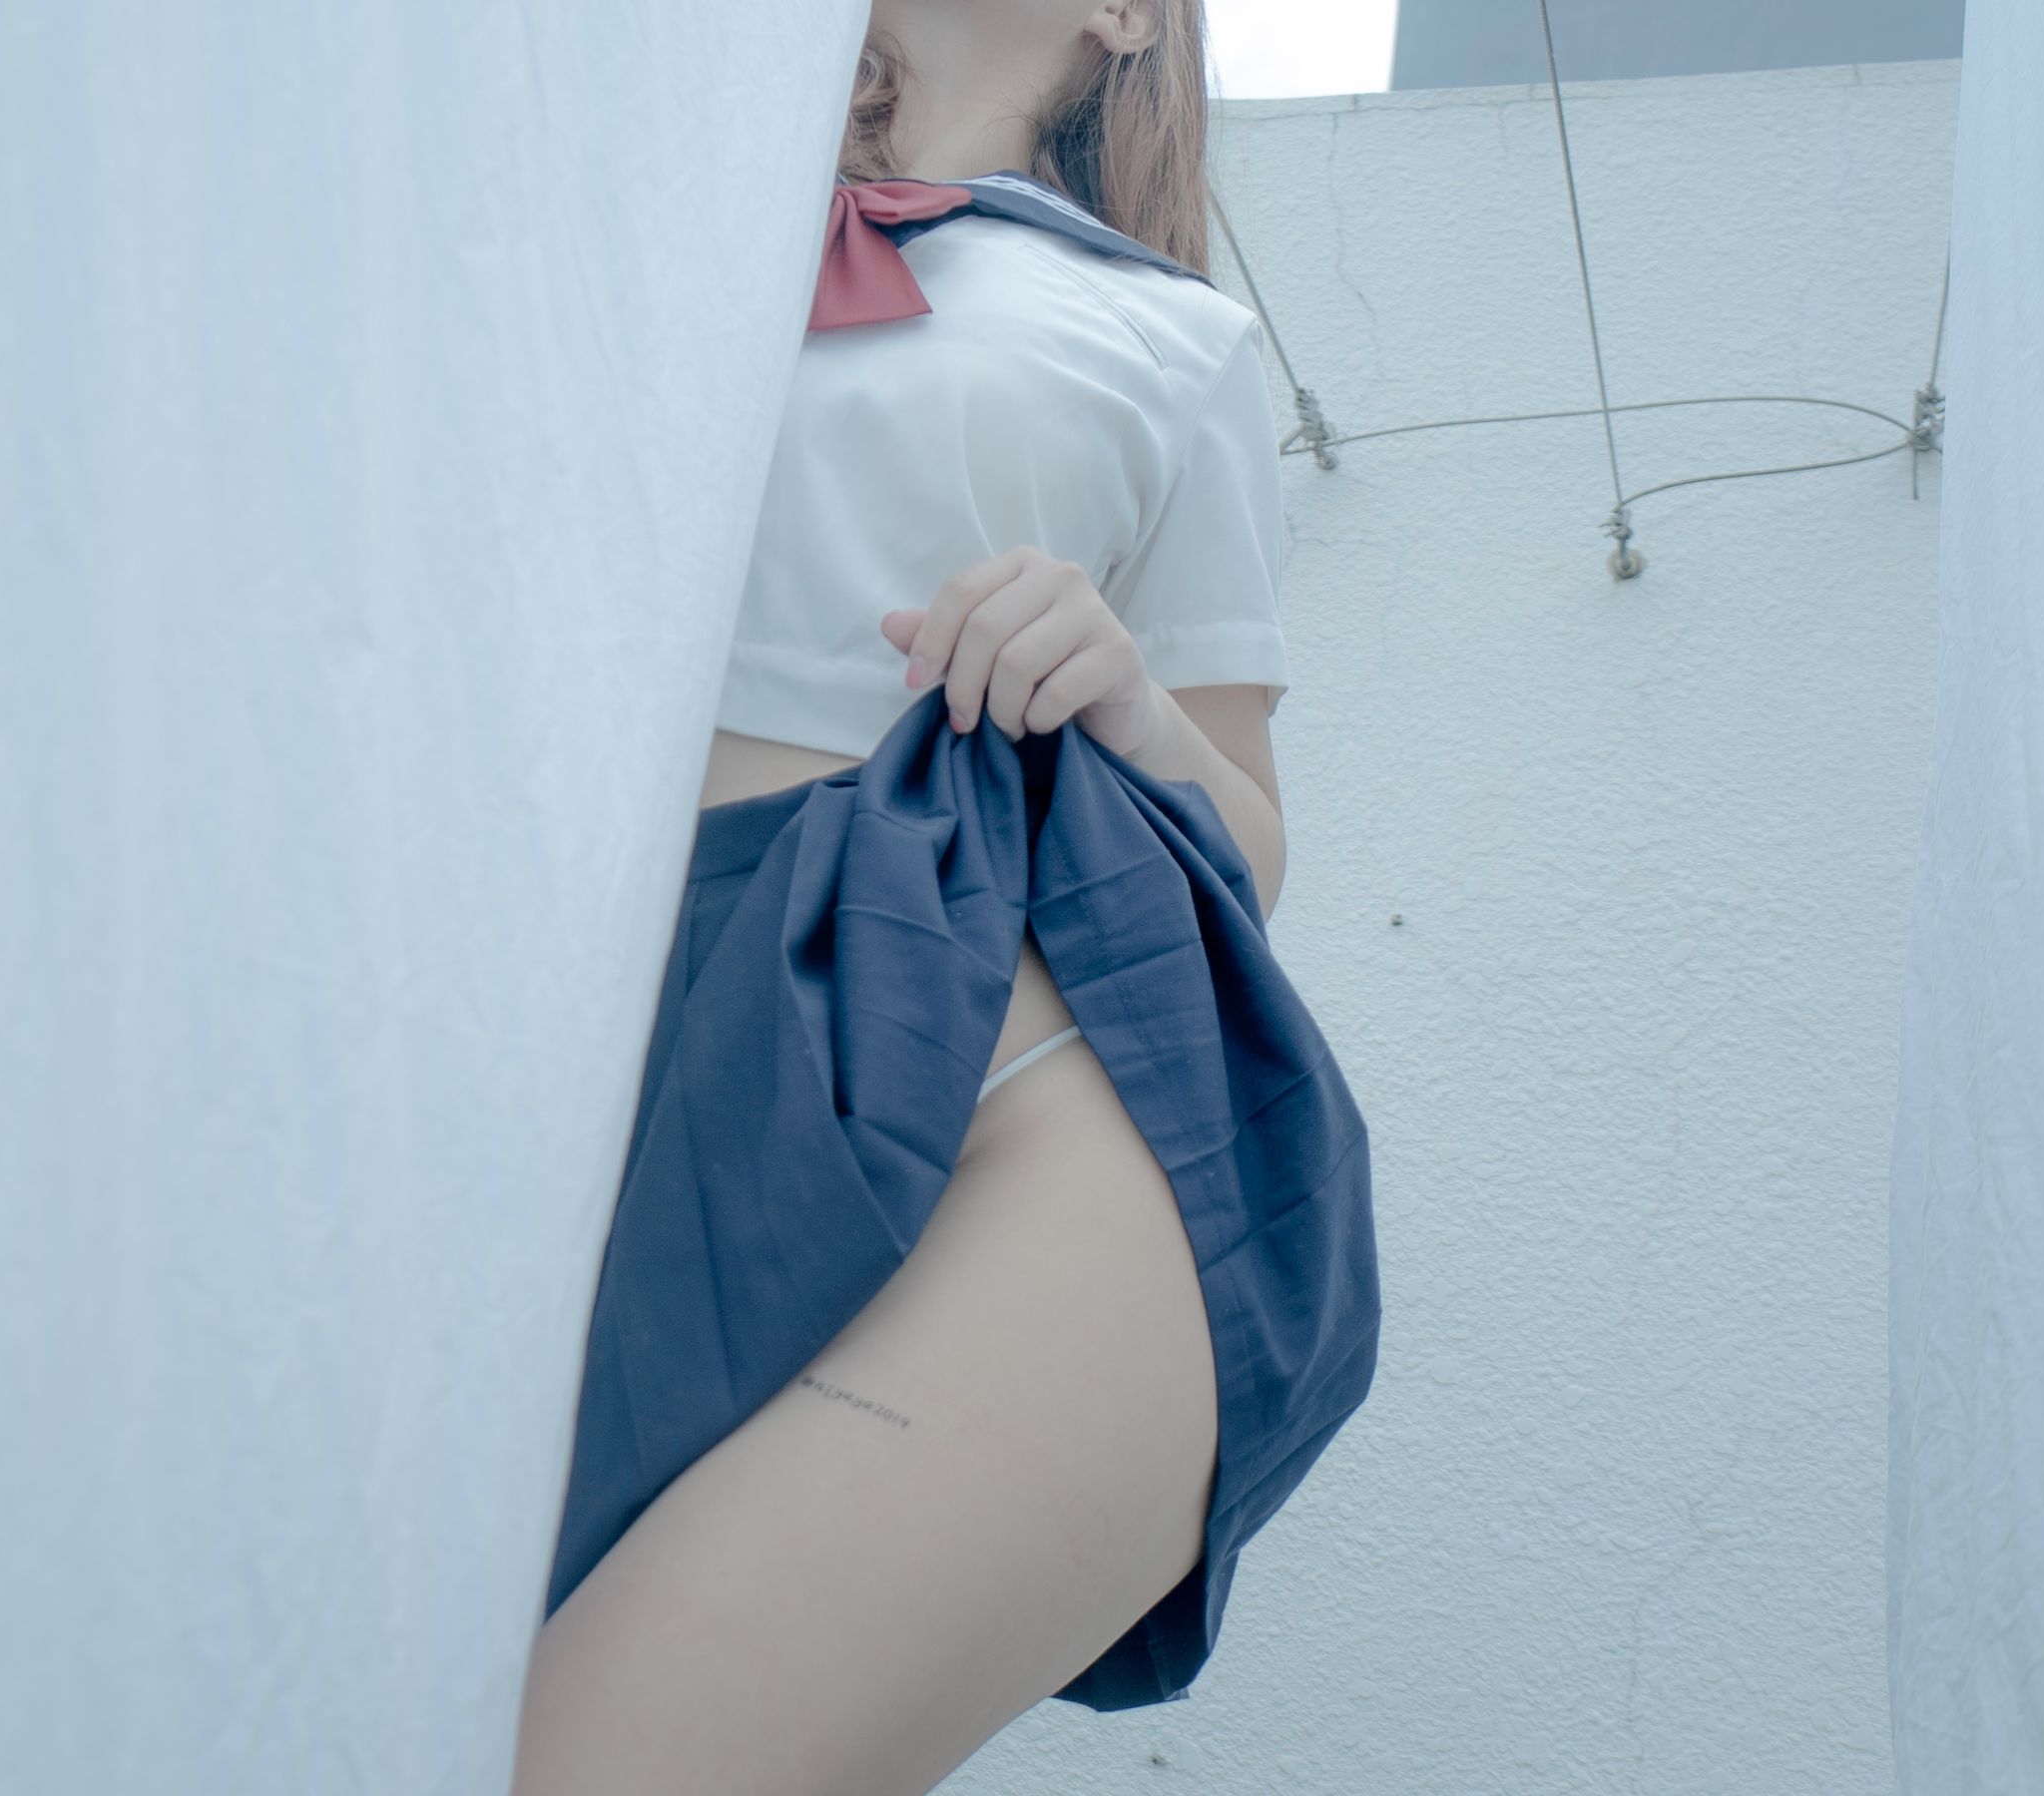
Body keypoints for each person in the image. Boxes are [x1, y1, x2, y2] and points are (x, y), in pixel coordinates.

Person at [512, 5, 1379, 1791]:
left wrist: (1122, 688)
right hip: (625, 1103)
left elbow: (1252, 842)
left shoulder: (1167, 337)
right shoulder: (628, 220)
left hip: (1012, 1099)